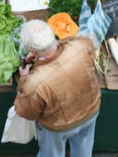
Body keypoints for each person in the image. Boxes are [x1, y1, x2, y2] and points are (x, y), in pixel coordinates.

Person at [14, 19, 100, 157]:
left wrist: (24, 78)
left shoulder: (34, 83)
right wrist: (39, 54)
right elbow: (86, 46)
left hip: (60, 126)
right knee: (83, 148)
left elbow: (26, 112)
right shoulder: (81, 45)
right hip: (91, 111)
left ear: (31, 50)